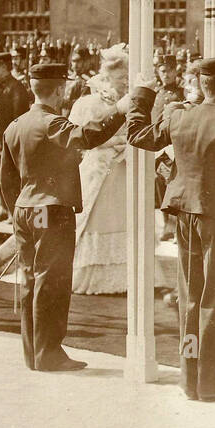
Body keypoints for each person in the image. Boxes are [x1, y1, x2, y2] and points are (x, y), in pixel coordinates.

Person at [127, 56, 215, 401]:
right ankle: (214, 384)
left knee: (190, 299)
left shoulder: (178, 115)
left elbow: (138, 135)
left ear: (203, 84)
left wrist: (141, 96)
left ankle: (190, 380)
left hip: (184, 216)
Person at [0, 61, 128, 372]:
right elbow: (87, 136)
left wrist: (17, 209)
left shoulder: (15, 125)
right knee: (52, 281)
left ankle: (34, 353)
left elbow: (5, 177)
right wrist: (121, 111)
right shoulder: (51, 123)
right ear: (58, 90)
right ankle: (49, 353)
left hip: (25, 209)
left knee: (32, 279)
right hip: (50, 211)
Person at [67, 45, 131, 294]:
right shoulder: (88, 103)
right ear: (106, 77)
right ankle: (90, 273)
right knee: (94, 217)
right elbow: (78, 135)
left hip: (124, 166)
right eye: (120, 77)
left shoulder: (132, 102)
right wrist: (111, 143)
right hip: (99, 167)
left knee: (121, 217)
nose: (125, 81)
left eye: (127, 76)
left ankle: (126, 276)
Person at [0, 49, 31, 223]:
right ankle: (4, 209)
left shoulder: (15, 87)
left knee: (10, 177)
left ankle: (12, 211)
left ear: (3, 66)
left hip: (8, 140)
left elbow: (19, 116)